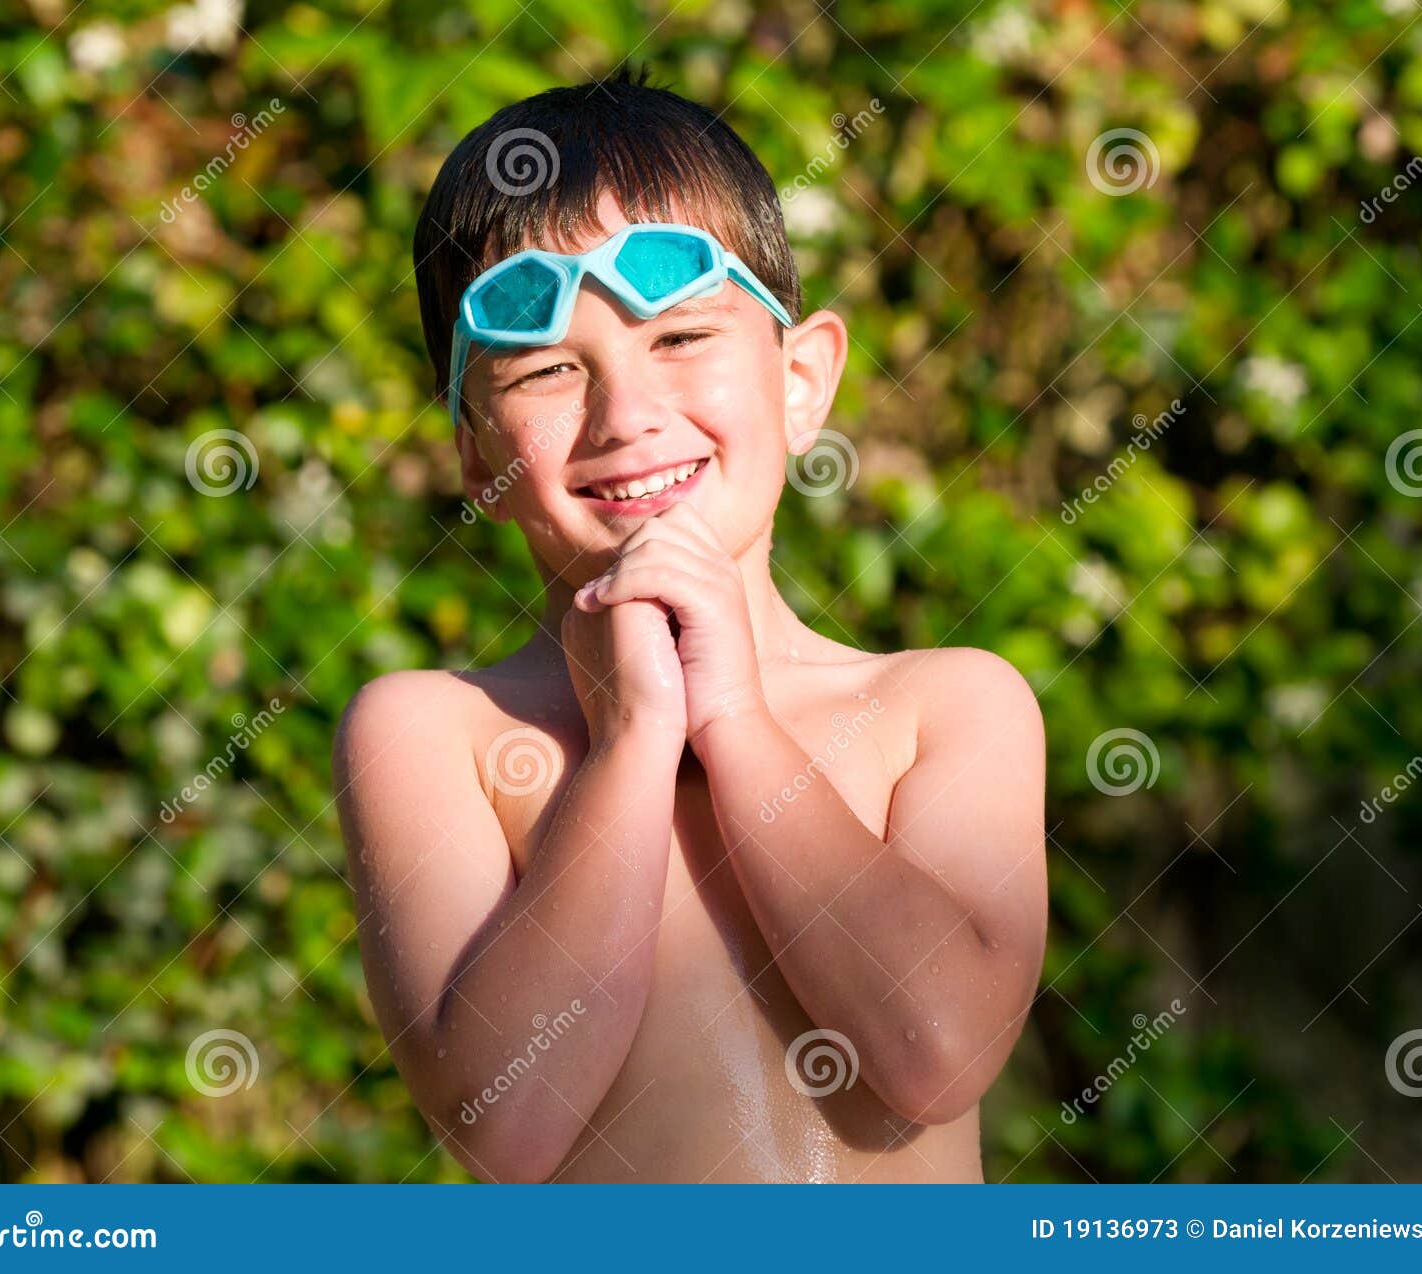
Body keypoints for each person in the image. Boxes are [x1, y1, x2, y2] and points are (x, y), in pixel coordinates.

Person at [334, 66, 1046, 1183]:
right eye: (548, 367)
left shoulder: (944, 706)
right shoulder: (436, 736)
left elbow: (935, 1050)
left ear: (802, 379)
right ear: (477, 454)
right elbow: (506, 1121)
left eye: (677, 341)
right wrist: (627, 745)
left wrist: (736, 721)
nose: (627, 415)